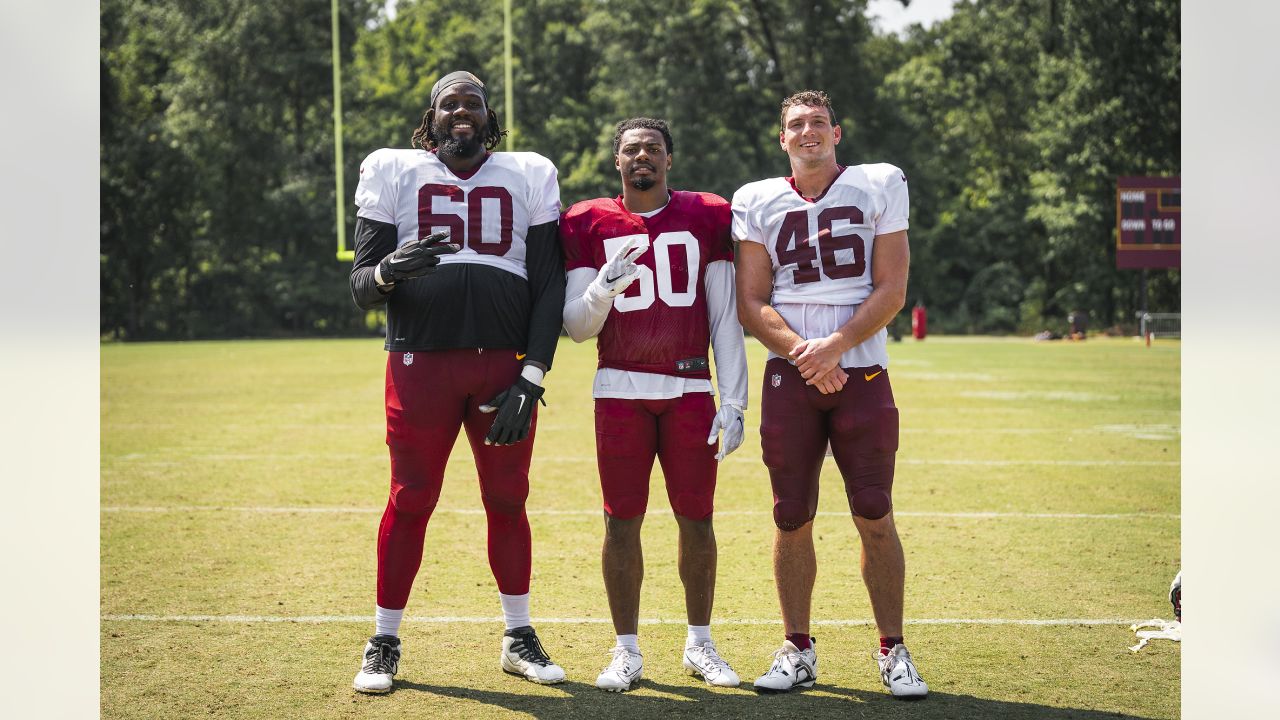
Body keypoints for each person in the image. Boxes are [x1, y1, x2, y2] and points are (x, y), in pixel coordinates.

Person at [347, 70, 567, 693]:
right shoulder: (393, 170)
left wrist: (533, 373)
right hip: (420, 363)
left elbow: (550, 283)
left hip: (502, 366)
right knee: (411, 496)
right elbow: (362, 287)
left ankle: (518, 636)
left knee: (507, 499)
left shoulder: (529, 172)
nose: (461, 111)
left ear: (489, 116)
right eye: (450, 103)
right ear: (432, 117)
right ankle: (384, 639)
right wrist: (389, 269)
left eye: (472, 102)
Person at [731, 90, 928, 699]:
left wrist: (834, 347)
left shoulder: (876, 184)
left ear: (837, 134)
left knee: (874, 510)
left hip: (861, 373)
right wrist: (805, 354)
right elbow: (750, 303)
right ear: (781, 138)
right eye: (797, 125)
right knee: (791, 516)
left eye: (818, 123)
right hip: (792, 378)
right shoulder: (756, 199)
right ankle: (797, 646)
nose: (808, 131)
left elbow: (892, 288)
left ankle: (893, 648)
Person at [560, 118, 749, 692]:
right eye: (631, 149)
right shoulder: (588, 221)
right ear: (616, 161)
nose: (642, 157)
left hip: (689, 389)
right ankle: (627, 650)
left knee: (698, 520)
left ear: (669, 159)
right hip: (619, 389)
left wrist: (735, 398)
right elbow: (576, 327)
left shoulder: (707, 213)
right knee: (622, 522)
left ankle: (700, 643)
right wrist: (602, 289)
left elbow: (723, 315)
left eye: (653, 148)